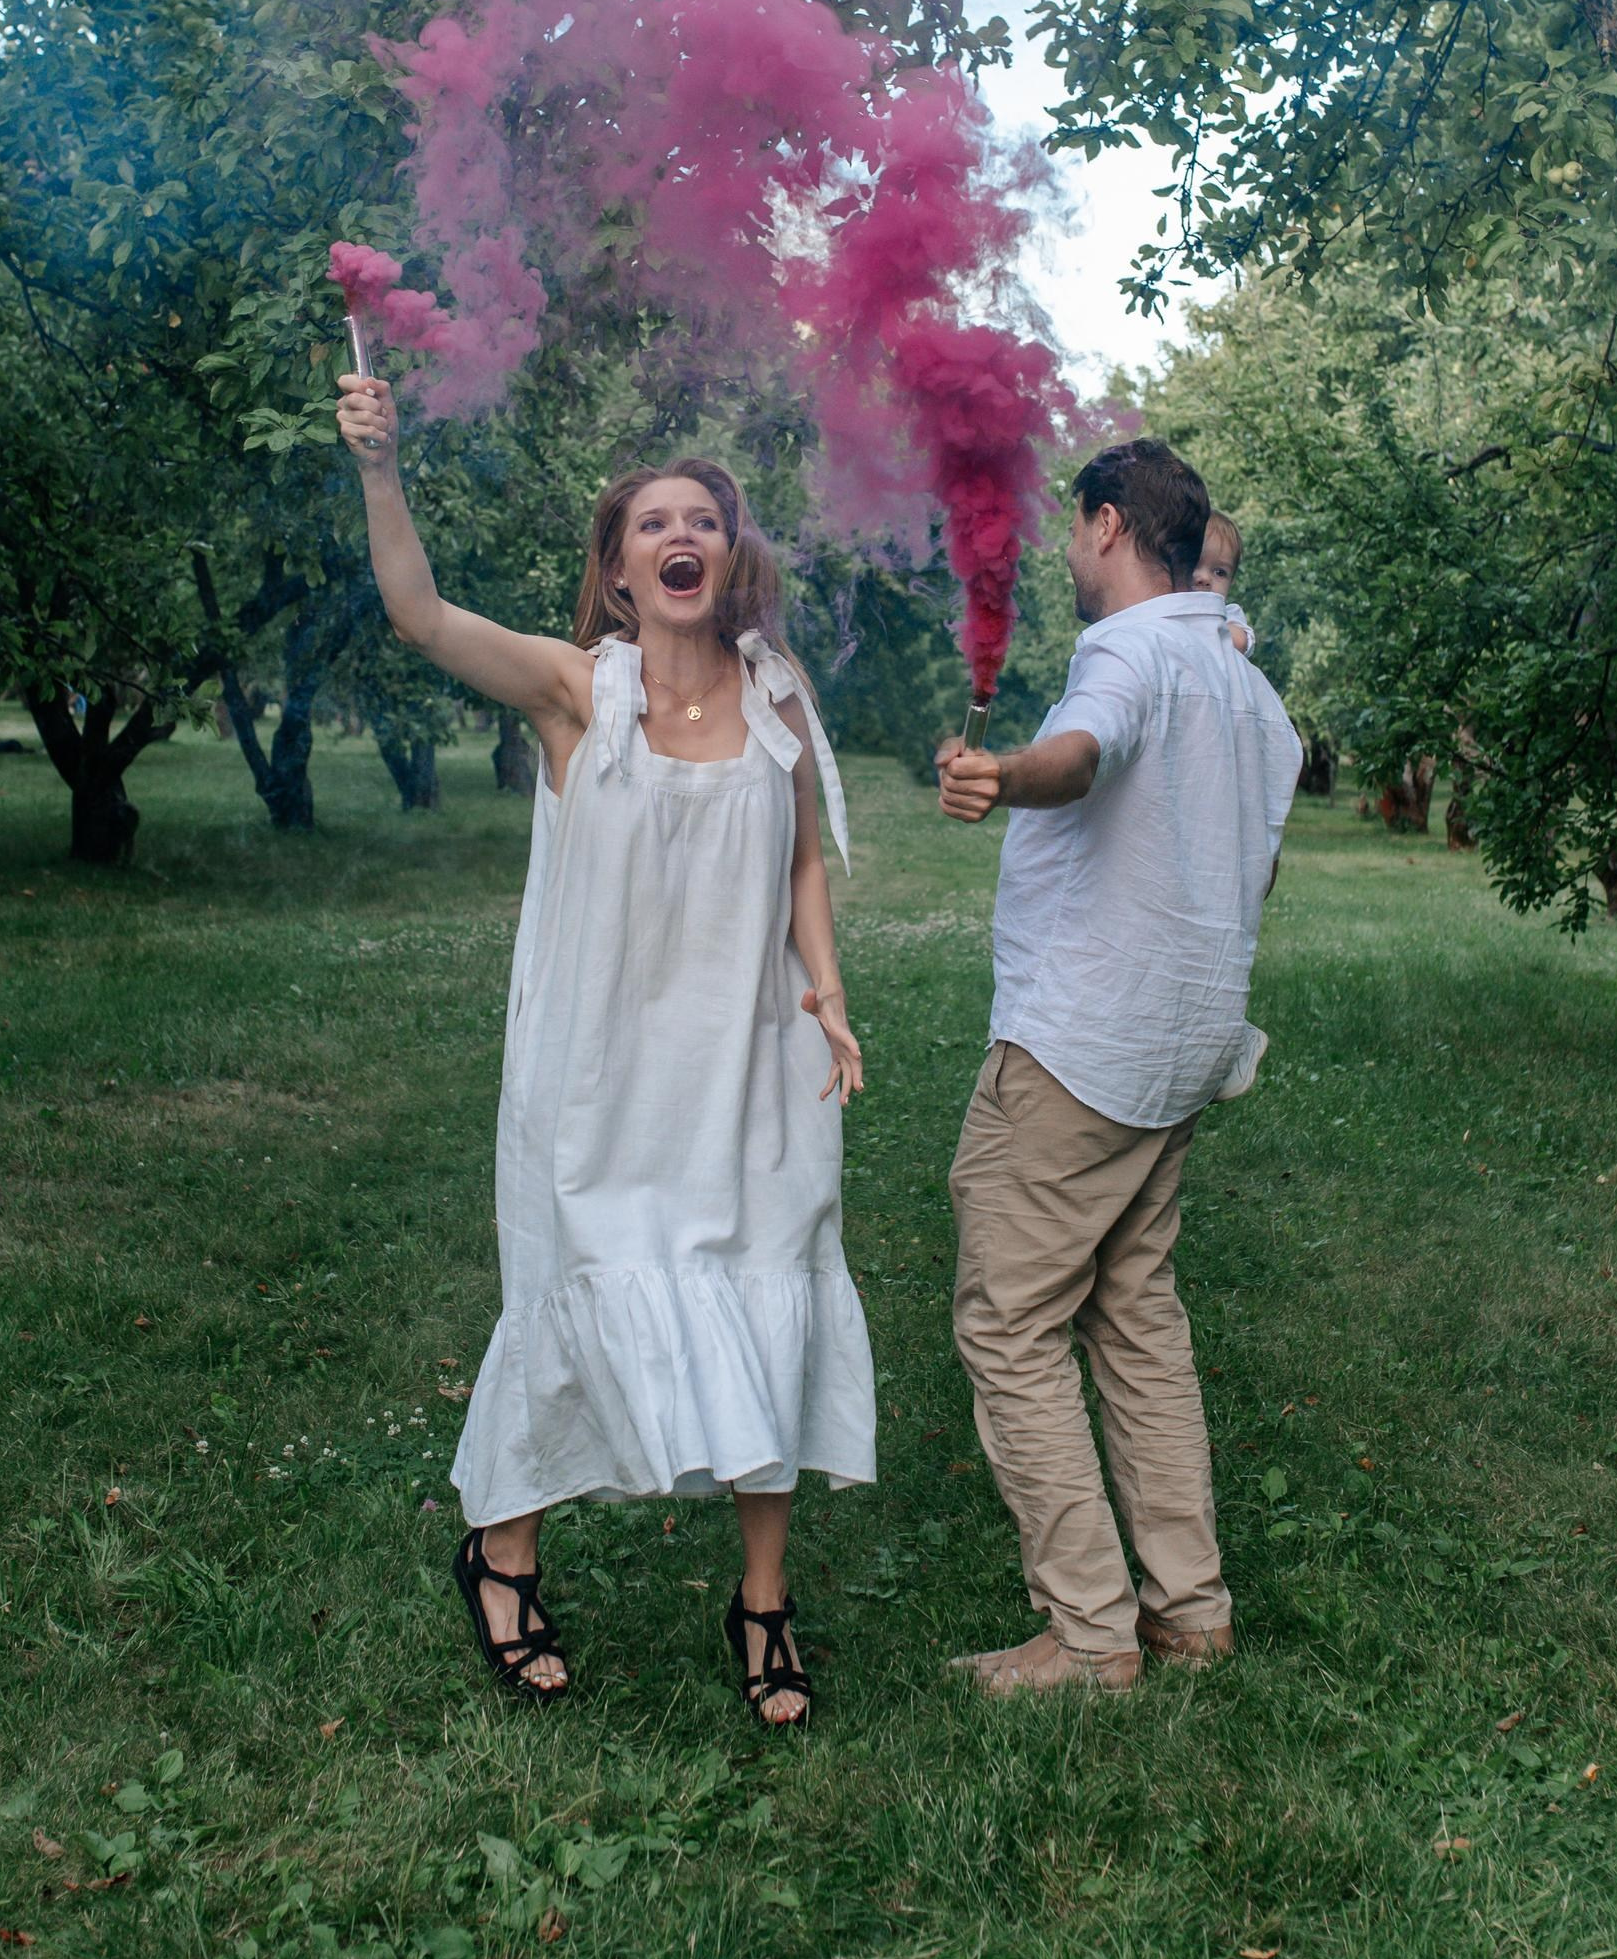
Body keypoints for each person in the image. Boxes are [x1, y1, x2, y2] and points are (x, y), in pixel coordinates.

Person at [338, 372, 875, 1727]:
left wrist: (827, 992)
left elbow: (801, 861)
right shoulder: (578, 691)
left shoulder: (776, 698)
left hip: (749, 1067)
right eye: (653, 523)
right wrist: (382, 466)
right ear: (621, 570)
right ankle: (503, 1556)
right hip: (603, 1074)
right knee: (574, 1290)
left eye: (704, 519)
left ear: (728, 557)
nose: (682, 535)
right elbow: (419, 615)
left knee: (767, 1288)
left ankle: (764, 1604)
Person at [936, 438, 1303, 1696]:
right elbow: (1254, 869)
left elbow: (1082, 755)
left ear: (1105, 523)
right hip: (1181, 1046)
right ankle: (1188, 1611)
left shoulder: (1127, 653)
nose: (1064, 552)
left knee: (1007, 1324)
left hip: (1081, 1049)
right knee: (1134, 1315)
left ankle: (1089, 1634)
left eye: (1071, 528)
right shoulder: (1252, 695)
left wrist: (1003, 773)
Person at [1196, 510, 1254, 654]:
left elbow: (1240, 642)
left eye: (1219, 572)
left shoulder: (1227, 613)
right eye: (1194, 564)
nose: (1205, 578)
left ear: (1231, 582)